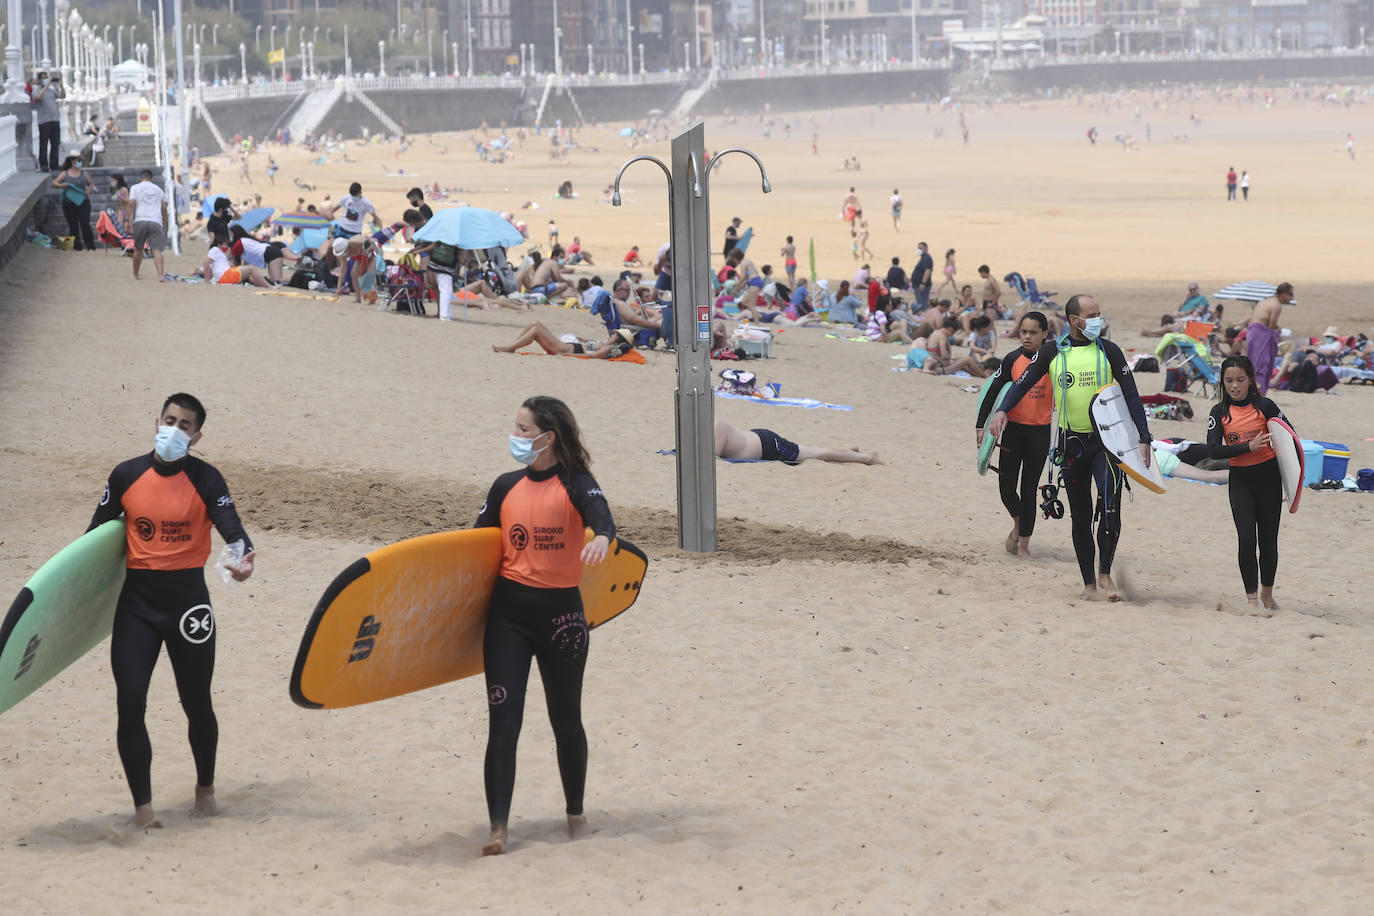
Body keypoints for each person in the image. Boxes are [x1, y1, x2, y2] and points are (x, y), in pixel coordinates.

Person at [86, 392, 256, 830]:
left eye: (185, 425)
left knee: (197, 702)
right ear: (157, 421)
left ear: (196, 436)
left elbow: (235, 533)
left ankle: (205, 793)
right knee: (130, 701)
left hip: (189, 607)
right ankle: (143, 811)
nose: (175, 429)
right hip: (137, 606)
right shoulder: (127, 475)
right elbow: (94, 539)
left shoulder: (206, 479)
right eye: (170, 420)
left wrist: (241, 560)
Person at [473, 396, 616, 856]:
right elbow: (472, 550)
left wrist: (605, 541)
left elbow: (603, 521)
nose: (515, 435)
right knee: (504, 722)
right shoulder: (503, 486)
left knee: (565, 718)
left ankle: (575, 812)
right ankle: (498, 829)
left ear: (547, 437)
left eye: (522, 428)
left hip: (561, 619)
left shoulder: (577, 484)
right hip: (507, 618)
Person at [989, 295, 1153, 600]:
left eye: (1099, 313)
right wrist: (1002, 410)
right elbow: (1022, 383)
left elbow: (1131, 394)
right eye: (1092, 315)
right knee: (1081, 513)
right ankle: (1089, 583)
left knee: (1110, 506)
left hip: (1108, 445)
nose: (1098, 319)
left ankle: (1105, 574)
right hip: (1072, 445)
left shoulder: (1110, 351)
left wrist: (1144, 437)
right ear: (1074, 320)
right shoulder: (1053, 351)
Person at [1207, 356, 1289, 612]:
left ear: (1250, 380)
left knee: (1268, 540)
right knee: (1245, 539)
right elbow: (1212, 451)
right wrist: (1246, 447)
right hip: (1241, 480)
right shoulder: (1219, 412)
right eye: (1229, 380)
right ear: (1222, 381)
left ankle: (1267, 593)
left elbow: (1290, 436)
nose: (1234, 386)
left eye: (1240, 380)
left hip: (1269, 479)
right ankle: (1251, 598)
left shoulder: (1265, 406)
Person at [976, 312, 1054, 556]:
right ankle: (1018, 521)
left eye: (1033, 332)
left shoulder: (1055, 360)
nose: (1027, 337)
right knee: (1006, 487)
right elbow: (993, 390)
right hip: (1014, 430)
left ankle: (1023, 546)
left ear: (1044, 334)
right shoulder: (1012, 359)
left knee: (1029, 489)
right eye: (1023, 332)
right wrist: (980, 425)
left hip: (1040, 432)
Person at [713, 419, 881, 465]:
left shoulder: (716, 425)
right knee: (811, 451)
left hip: (769, 446)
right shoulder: (711, 425)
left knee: (814, 453)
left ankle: (866, 458)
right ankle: (849, 451)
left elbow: (712, 458)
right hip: (758, 440)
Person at [1246, 282, 1292, 395]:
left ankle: (1251, 390)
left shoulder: (1264, 300)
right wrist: (1277, 333)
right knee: (1263, 363)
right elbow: (1270, 327)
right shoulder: (1276, 306)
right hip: (1261, 335)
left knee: (1253, 363)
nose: (1291, 297)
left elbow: (1260, 319)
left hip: (1253, 332)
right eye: (1290, 294)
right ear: (1284, 294)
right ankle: (1260, 392)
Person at [492, 323, 636, 358]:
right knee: (534, 323)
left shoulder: (607, 348)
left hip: (564, 349)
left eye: (614, 334)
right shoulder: (603, 343)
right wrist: (577, 337)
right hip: (565, 345)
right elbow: (584, 342)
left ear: (617, 337)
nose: (611, 334)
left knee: (536, 329)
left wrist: (569, 356)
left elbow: (591, 356)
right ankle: (512, 346)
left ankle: (510, 348)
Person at [128, 169, 168, 281]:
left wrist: (127, 220)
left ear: (140, 178)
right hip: (156, 220)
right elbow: (164, 209)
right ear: (152, 179)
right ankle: (160, 275)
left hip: (140, 219)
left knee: (138, 249)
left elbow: (131, 204)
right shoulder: (159, 190)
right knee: (157, 250)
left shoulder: (135, 188)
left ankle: (135, 274)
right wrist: (164, 221)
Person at [51, 156, 95, 251]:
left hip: (83, 201)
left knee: (85, 223)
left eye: (80, 161)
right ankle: (77, 246)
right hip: (69, 203)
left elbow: (91, 183)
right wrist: (62, 185)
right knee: (73, 225)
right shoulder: (65, 174)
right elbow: (54, 183)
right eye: (78, 160)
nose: (79, 162)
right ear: (72, 161)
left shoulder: (84, 173)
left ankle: (90, 246)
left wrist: (88, 190)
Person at [199, 234, 271, 287]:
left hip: (225, 276)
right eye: (224, 244)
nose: (226, 246)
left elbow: (214, 267)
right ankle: (269, 286)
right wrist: (207, 280)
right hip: (225, 276)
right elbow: (206, 263)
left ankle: (265, 286)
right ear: (219, 244)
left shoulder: (218, 252)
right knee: (251, 268)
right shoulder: (215, 250)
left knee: (249, 276)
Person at [31, 70, 65, 171]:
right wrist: (46, 85)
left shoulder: (51, 91)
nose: (47, 80)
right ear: (39, 80)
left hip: (55, 120)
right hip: (44, 122)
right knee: (44, 144)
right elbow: (38, 98)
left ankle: (54, 165)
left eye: (48, 78)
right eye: (44, 78)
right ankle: (44, 165)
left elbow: (62, 96)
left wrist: (61, 86)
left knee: (55, 144)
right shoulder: (36, 90)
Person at [912, 242, 934, 309]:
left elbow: (928, 271)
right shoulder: (923, 258)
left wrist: (923, 283)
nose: (919, 250)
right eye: (918, 248)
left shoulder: (926, 258)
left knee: (922, 304)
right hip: (918, 285)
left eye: (921, 248)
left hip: (922, 285)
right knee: (921, 303)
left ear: (926, 248)